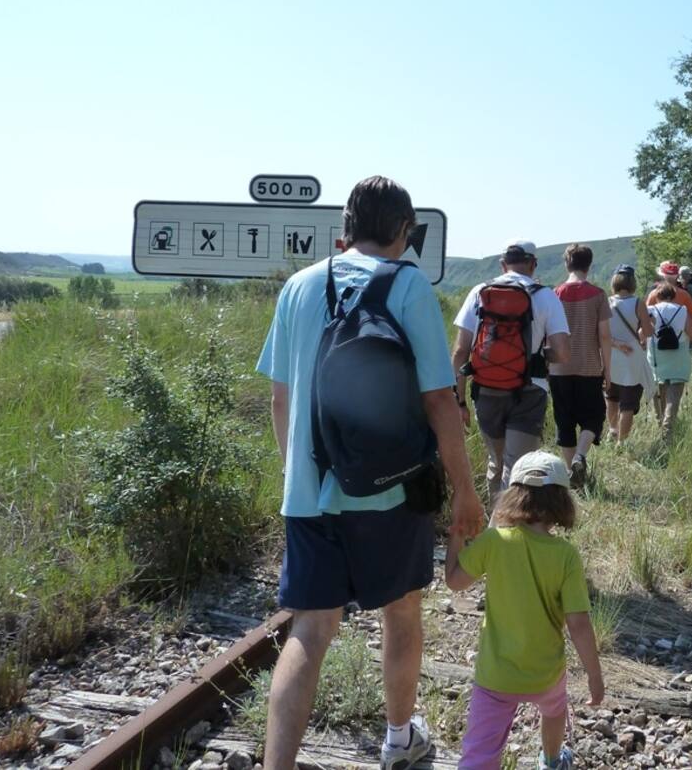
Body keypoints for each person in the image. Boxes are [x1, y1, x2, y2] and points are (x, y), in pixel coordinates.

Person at [256, 176, 486, 770]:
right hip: (392, 493)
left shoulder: (299, 287)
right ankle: (399, 738)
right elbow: (439, 401)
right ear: (404, 232)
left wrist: (298, 479)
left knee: (309, 629)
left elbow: (280, 400)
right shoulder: (408, 286)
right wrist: (465, 491)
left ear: (346, 226)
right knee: (402, 610)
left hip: (308, 497)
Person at [446, 451, 605, 770]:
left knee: (479, 752)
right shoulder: (566, 556)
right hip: (544, 674)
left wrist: (456, 538)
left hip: (496, 676)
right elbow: (579, 624)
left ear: (513, 496)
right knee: (555, 710)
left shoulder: (493, 541)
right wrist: (594, 674)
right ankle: (550, 760)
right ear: (562, 502)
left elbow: (454, 582)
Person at [453, 240, 570, 505]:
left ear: (503, 264)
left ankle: (493, 529)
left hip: (485, 390)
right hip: (529, 391)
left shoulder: (480, 292)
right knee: (516, 468)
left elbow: (460, 352)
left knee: (496, 462)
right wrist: (537, 358)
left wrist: (458, 400)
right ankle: (504, 531)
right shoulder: (545, 296)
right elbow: (563, 353)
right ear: (533, 264)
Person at [549, 244, 612, 488]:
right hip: (589, 367)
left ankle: (571, 475)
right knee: (594, 416)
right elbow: (605, 336)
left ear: (567, 264)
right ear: (589, 264)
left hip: (558, 368)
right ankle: (580, 455)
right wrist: (608, 370)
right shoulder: (598, 295)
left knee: (564, 421)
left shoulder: (554, 294)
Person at [605, 265, 654, 446]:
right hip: (632, 356)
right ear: (632, 282)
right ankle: (622, 442)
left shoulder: (606, 302)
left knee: (612, 397)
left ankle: (612, 430)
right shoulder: (638, 303)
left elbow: (600, 334)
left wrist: (616, 344)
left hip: (611, 355)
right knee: (628, 403)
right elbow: (648, 332)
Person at [647, 283, 692, 440]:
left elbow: (644, 332)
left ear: (657, 296)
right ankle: (668, 427)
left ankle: (660, 422)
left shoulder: (651, 310)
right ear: (673, 295)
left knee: (659, 390)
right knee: (674, 393)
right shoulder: (683, 310)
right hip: (678, 356)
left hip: (656, 356)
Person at [645, 261, 692, 345]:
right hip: (680, 340)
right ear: (677, 276)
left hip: (657, 341)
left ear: (662, 276)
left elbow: (645, 318)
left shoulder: (653, 294)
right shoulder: (685, 295)